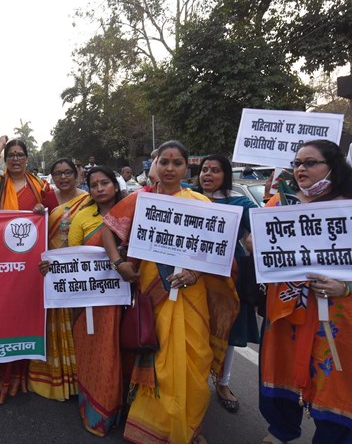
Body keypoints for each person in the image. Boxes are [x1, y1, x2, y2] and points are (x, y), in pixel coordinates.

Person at [260, 139, 352, 444]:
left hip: (344, 315)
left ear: (333, 167)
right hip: (290, 310)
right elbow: (261, 248)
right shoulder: (282, 202)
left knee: (340, 383)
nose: (300, 169)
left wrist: (346, 287)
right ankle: (282, 429)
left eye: (310, 162)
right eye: (297, 163)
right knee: (281, 372)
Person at [102, 141, 238, 444]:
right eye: (164, 162)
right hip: (153, 292)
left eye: (177, 163)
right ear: (155, 165)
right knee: (159, 358)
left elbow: (217, 250)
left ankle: (189, 427)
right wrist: (119, 263)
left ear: (186, 166)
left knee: (195, 358)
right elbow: (107, 230)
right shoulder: (141, 200)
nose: (170, 168)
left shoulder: (200, 202)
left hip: (193, 293)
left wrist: (196, 272)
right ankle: (155, 427)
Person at [0, 135, 49, 404]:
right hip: (1, 262)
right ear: (5, 160)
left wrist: (42, 209)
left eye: (20, 155)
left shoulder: (39, 185)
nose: (16, 159)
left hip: (31, 264)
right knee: (3, 316)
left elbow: (51, 215)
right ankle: (4, 376)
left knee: (27, 315)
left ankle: (21, 375)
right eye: (12, 155)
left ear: (28, 159)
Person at [196, 155, 260, 414]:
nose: (207, 175)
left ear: (226, 175)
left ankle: (223, 383)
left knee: (227, 331)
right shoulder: (187, 197)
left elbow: (264, 226)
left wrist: (254, 237)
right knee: (195, 328)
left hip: (229, 277)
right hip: (194, 276)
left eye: (215, 170)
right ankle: (195, 382)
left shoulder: (240, 203)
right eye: (204, 170)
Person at [68, 166, 126, 436]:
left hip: (126, 298)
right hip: (90, 302)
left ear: (115, 185)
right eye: (94, 185)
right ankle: (96, 411)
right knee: (94, 353)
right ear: (89, 190)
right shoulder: (82, 218)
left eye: (105, 182)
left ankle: (123, 409)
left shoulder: (132, 212)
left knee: (124, 352)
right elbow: (71, 258)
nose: (100, 188)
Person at [29, 158, 89, 401]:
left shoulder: (88, 199)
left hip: (82, 271)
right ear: (52, 177)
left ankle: (81, 377)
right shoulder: (47, 201)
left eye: (67, 173)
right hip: (52, 271)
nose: (63, 177)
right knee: (55, 324)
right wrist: (36, 214)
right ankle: (56, 378)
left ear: (76, 174)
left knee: (80, 323)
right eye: (58, 174)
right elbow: (38, 232)